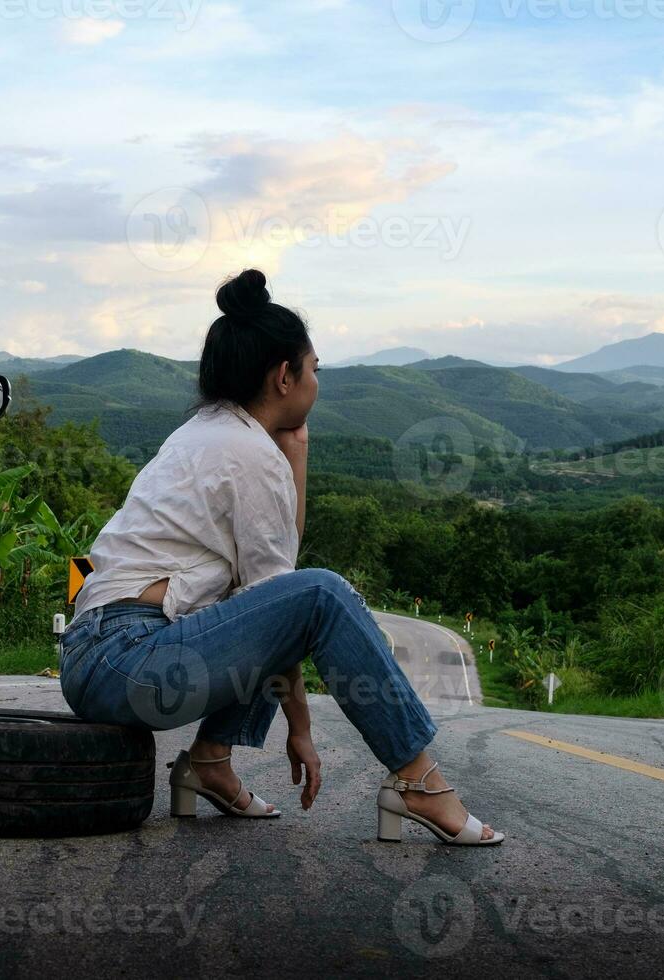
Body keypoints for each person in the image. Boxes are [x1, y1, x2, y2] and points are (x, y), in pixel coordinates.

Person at [58, 270, 503, 846]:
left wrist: (296, 450)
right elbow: (293, 599)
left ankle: (210, 762)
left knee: (295, 595)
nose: (319, 382)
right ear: (284, 376)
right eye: (314, 369)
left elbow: (271, 589)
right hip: (127, 660)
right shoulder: (245, 452)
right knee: (323, 592)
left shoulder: (208, 432)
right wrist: (301, 727)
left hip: (104, 659)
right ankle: (418, 780)